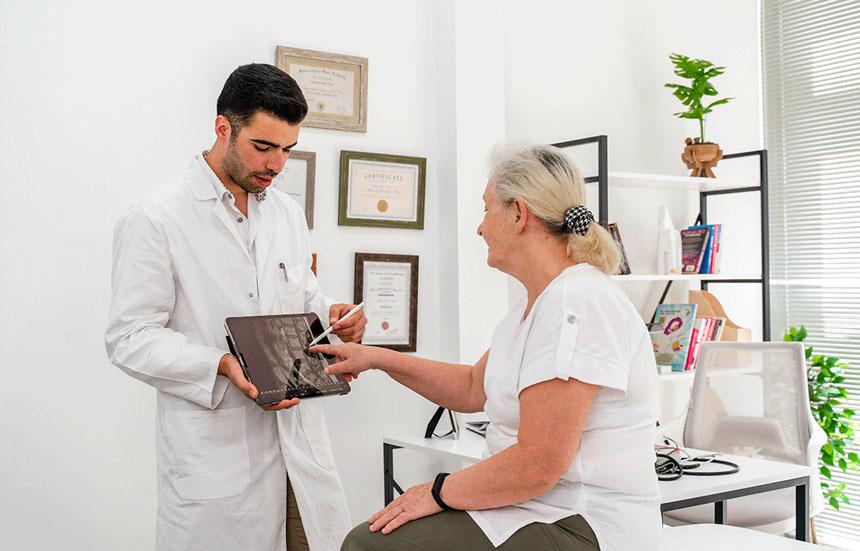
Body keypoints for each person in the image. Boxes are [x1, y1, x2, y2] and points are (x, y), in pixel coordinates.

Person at [313, 144, 661, 551]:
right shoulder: (536, 305)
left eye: (485, 210)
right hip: (536, 506)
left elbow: (538, 465)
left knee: (370, 546)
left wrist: (437, 492)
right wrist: (375, 357)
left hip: (585, 521)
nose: (480, 229)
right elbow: (473, 388)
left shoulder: (577, 303)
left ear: (518, 213)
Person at [105, 63, 367, 551]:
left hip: (297, 447)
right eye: (263, 147)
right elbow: (128, 337)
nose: (276, 165)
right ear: (223, 128)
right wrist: (221, 364)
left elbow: (302, 294)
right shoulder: (157, 219)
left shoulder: (285, 212)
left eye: (287, 150)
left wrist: (333, 314)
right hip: (219, 460)